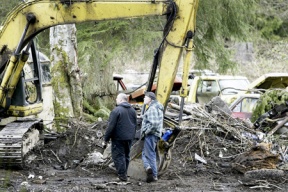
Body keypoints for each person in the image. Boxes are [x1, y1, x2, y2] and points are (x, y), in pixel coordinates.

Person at [103, 93, 137, 181]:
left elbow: (111, 126)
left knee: (119, 156)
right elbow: (135, 124)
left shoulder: (116, 110)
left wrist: (106, 139)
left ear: (122, 100)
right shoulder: (133, 110)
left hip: (118, 138)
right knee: (126, 155)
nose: (116, 100)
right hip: (129, 137)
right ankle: (124, 173)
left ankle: (122, 176)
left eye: (117, 98)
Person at [141, 91, 164, 183]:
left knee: (150, 155)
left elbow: (154, 123)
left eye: (145, 97)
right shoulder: (156, 107)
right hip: (154, 135)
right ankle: (148, 167)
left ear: (150, 99)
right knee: (145, 153)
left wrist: (146, 132)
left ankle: (154, 175)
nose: (144, 98)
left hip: (151, 135)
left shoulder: (152, 108)